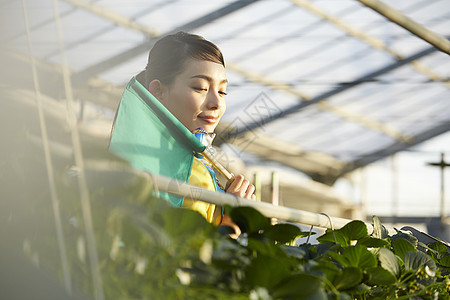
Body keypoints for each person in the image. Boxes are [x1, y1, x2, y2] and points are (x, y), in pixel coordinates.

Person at [112, 31, 255, 236]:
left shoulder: (134, 158)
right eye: (200, 88)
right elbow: (192, 262)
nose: (217, 104)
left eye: (222, 91)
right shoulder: (186, 174)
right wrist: (234, 221)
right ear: (158, 91)